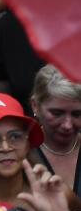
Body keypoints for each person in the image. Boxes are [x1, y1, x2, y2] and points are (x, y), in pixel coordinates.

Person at [28, 66, 81, 195]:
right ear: (35, 105)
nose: (67, 125)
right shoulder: (19, 153)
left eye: (77, 114)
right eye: (57, 113)